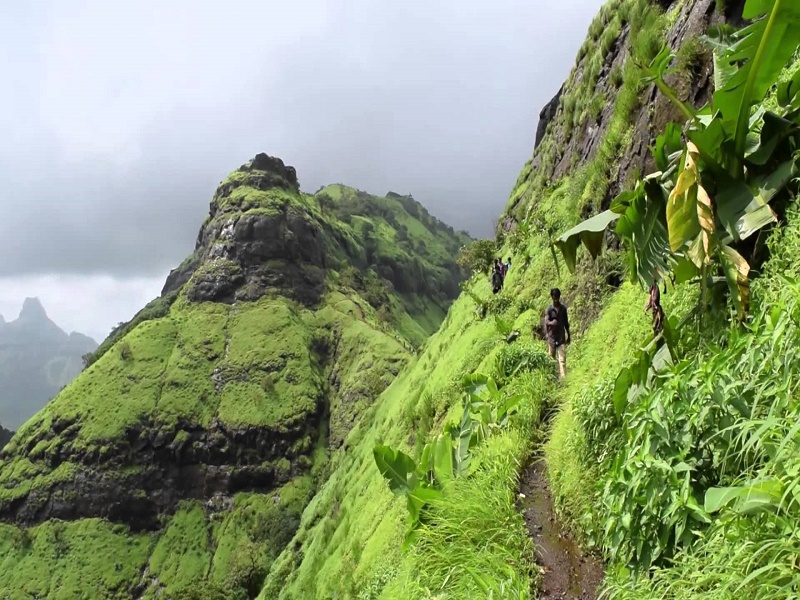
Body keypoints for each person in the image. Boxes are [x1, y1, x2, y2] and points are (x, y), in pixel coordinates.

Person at [544, 288, 570, 380]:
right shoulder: (549, 309)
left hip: (561, 337)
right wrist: (552, 323)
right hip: (551, 338)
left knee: (562, 360)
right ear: (552, 297)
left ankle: (563, 379)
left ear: (559, 297)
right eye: (554, 297)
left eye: (557, 297)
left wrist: (568, 335)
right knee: (551, 359)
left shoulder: (563, 309)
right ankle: (551, 377)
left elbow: (566, 323)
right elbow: (546, 321)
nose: (556, 299)